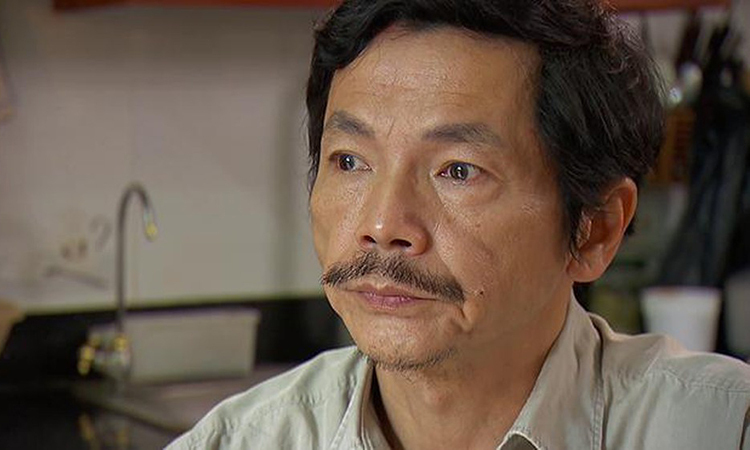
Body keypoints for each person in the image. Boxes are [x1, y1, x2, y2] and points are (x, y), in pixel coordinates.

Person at [167, 0, 750, 448]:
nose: (383, 225)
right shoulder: (237, 443)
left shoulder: (721, 429)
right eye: (349, 162)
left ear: (595, 228)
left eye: (458, 171)